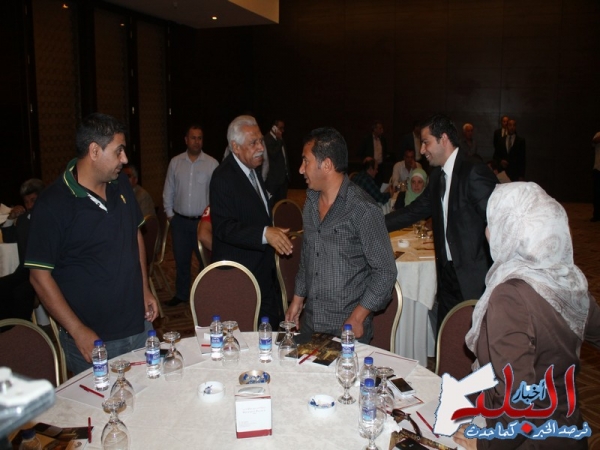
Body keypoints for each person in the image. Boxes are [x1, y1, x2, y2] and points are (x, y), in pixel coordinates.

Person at [453, 182, 600, 450]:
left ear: (512, 232)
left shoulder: (509, 298)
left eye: (492, 222)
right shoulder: (567, 282)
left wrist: (484, 444)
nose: (486, 231)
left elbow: (519, 404)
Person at [24, 113, 159, 375]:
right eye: (119, 151)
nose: (125, 159)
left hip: (139, 326)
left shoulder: (120, 183)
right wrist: (77, 330)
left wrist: (144, 288)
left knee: (150, 394)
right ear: (94, 151)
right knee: (102, 401)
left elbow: (134, 235)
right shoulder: (53, 204)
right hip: (94, 338)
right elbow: (39, 277)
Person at [385, 114, 497, 332]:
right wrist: (374, 224)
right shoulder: (437, 177)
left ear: (443, 139)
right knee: (446, 337)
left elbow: (498, 220)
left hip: (474, 278)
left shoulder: (473, 170)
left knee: (476, 339)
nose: (422, 150)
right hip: (447, 275)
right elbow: (414, 211)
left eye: (426, 142)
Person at [285, 127, 397, 344]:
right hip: (310, 323)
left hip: (346, 329)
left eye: (305, 161)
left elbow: (385, 272)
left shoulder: (363, 209)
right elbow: (308, 256)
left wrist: (358, 317)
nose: (300, 169)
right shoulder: (310, 202)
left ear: (326, 165)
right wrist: (297, 300)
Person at [210, 115, 293, 327]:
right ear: (235, 147)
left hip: (262, 272)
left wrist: (272, 232)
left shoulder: (253, 170)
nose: (261, 148)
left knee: (269, 332)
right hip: (239, 278)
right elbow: (224, 228)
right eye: (253, 143)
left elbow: (254, 213)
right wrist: (265, 234)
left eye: (261, 141)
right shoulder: (223, 177)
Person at [162, 124, 218, 306]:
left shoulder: (212, 164)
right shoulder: (175, 162)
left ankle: (204, 296)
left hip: (203, 223)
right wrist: (170, 215)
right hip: (180, 222)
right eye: (193, 138)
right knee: (181, 261)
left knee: (205, 262)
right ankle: (181, 295)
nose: (196, 141)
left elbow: (217, 194)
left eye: (199, 138)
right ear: (186, 140)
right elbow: (168, 190)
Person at [0, 179, 44, 321]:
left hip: (47, 271)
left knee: (21, 292)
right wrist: (10, 219)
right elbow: (10, 239)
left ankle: (22, 328)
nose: (29, 205)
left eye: (33, 200)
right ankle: (7, 329)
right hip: (26, 270)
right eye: (26, 202)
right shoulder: (24, 219)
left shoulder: (52, 217)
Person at [264, 119, 290, 205]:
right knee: (272, 205)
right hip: (273, 181)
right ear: (274, 128)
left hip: (283, 179)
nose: (282, 130)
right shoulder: (267, 139)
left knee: (282, 205)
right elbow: (273, 154)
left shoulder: (280, 139)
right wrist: (279, 141)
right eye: (280, 128)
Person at [358, 120, 391, 185]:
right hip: (370, 167)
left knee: (379, 183)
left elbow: (385, 151)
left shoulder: (383, 139)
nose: (382, 130)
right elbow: (360, 152)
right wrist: (365, 160)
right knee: (370, 184)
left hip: (380, 166)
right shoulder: (367, 139)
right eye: (380, 128)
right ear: (374, 129)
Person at [591, 131, 600, 222]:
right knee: (597, 193)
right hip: (598, 168)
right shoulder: (598, 134)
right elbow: (595, 141)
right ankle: (597, 215)